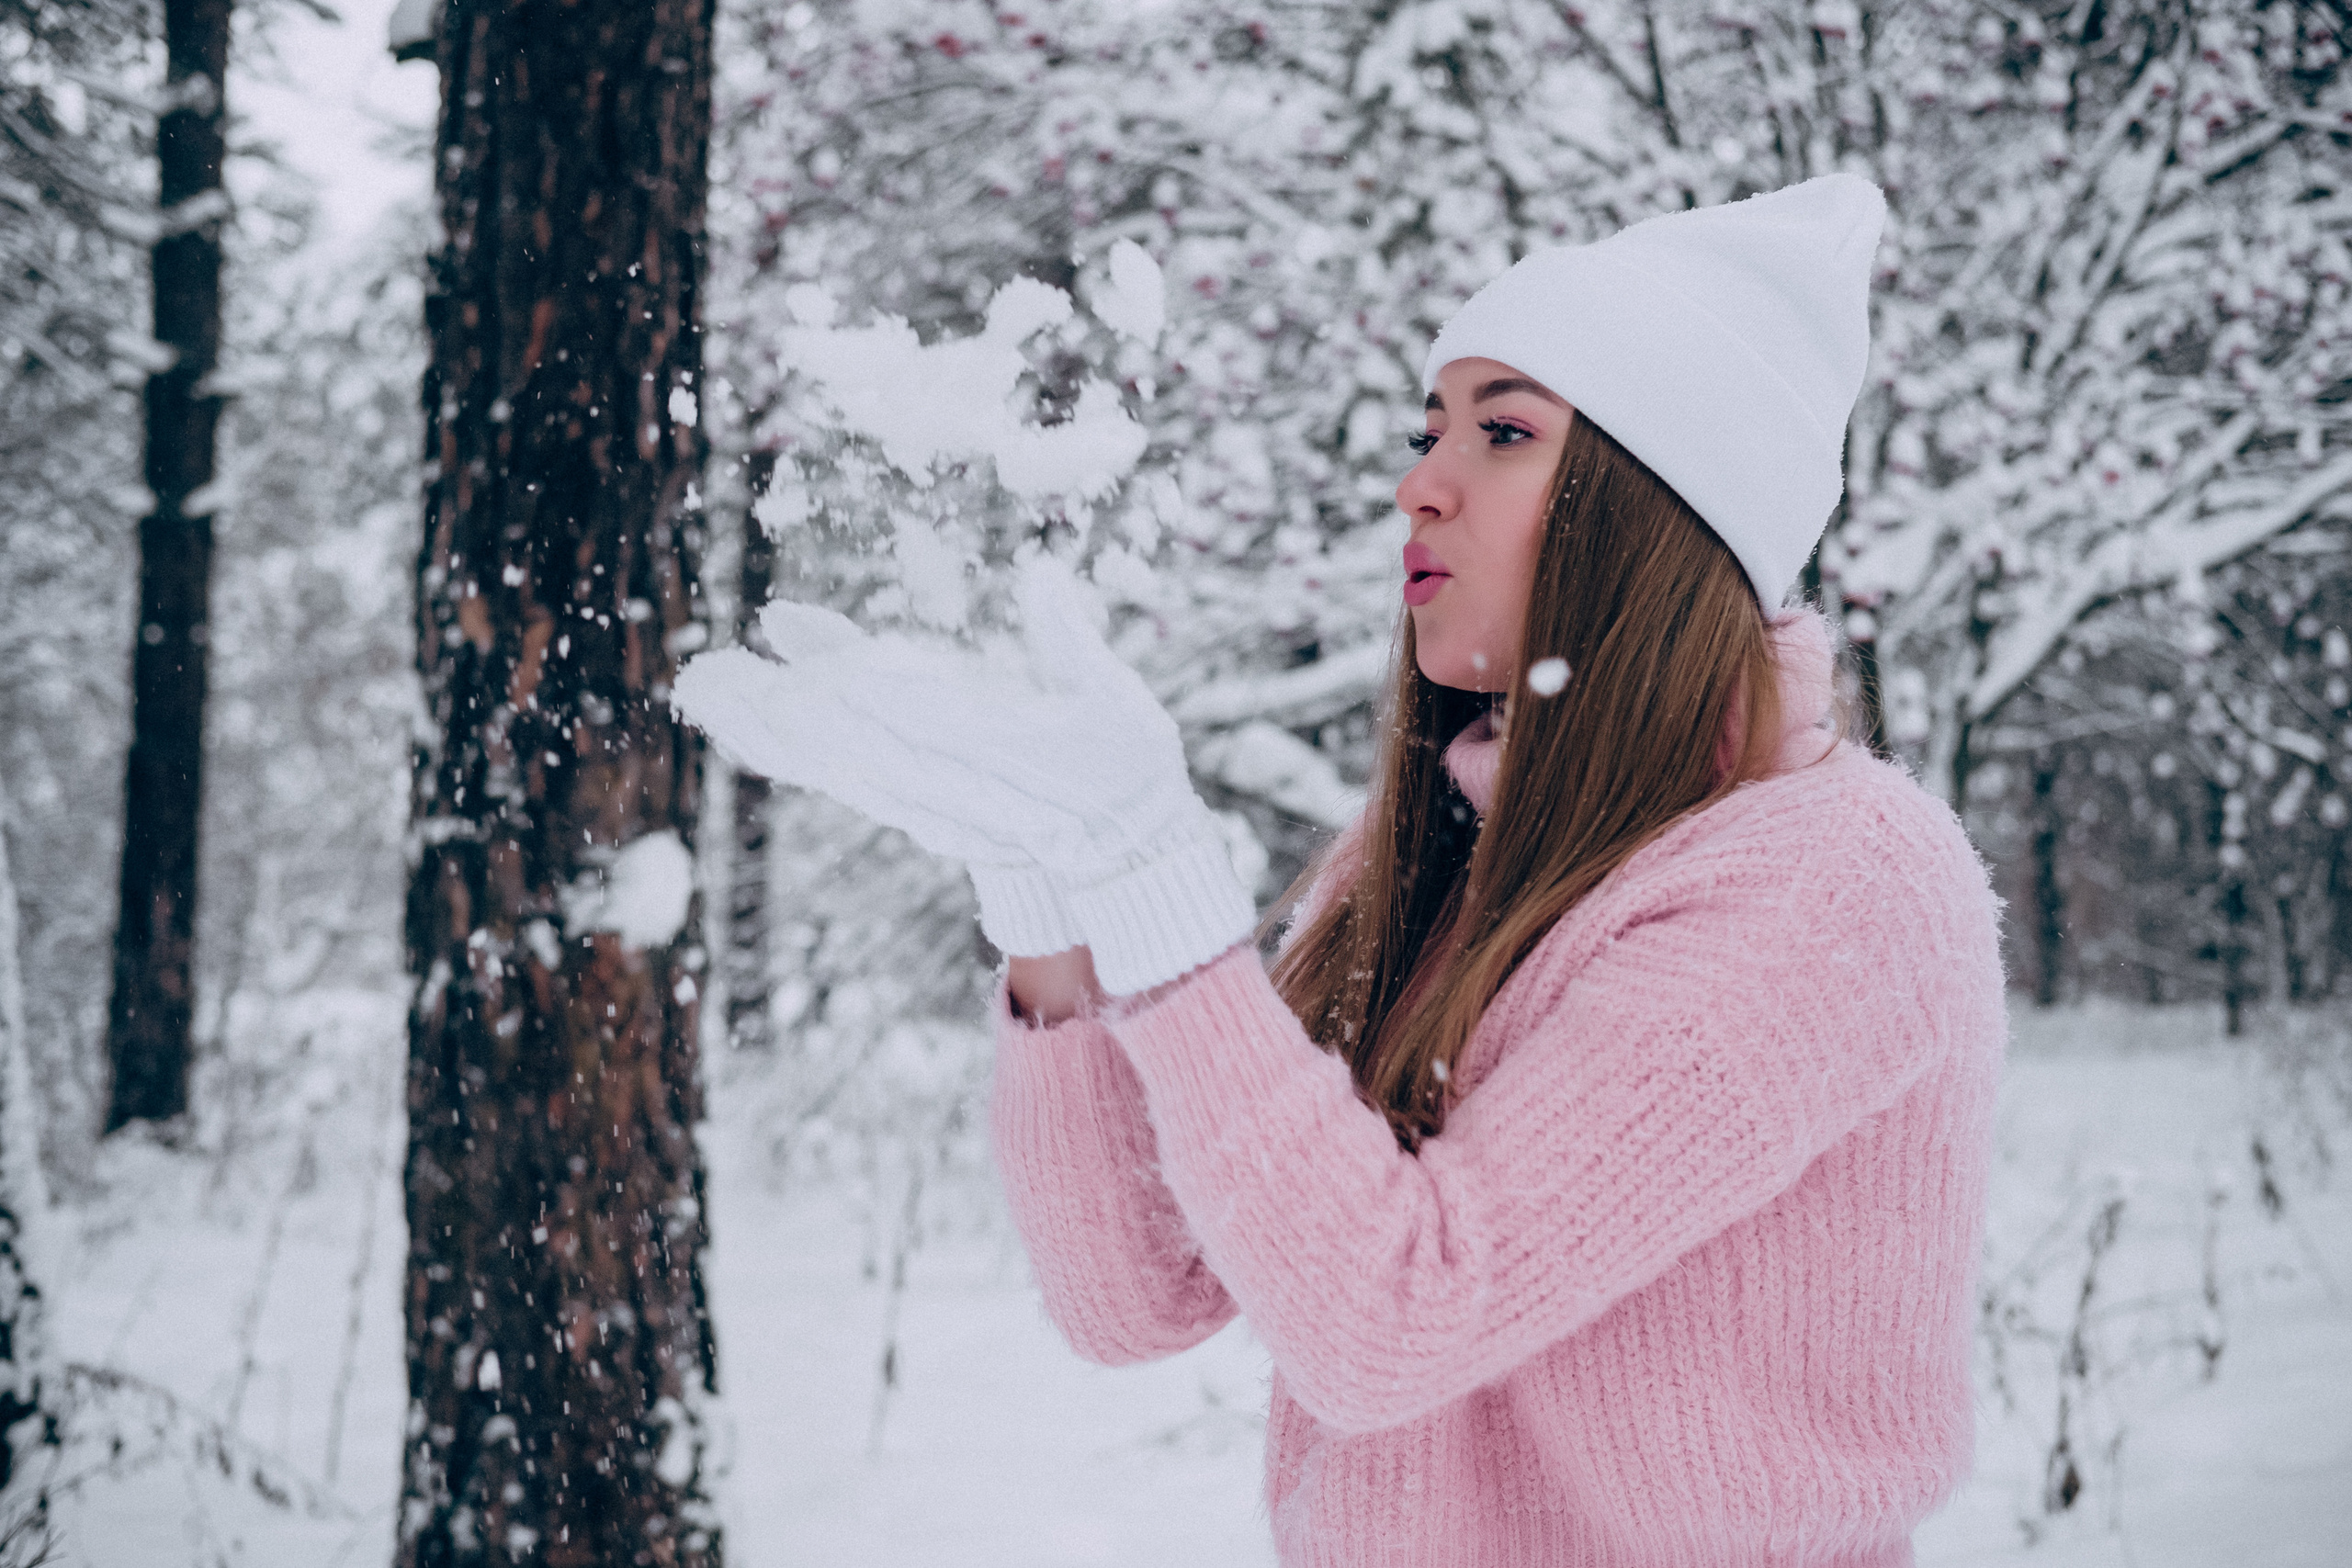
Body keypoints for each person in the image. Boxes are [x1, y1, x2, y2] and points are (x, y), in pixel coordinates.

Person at [676, 172, 2007, 1567]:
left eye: (1505, 432)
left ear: (1654, 514)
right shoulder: (1457, 851)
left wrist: (1149, 866)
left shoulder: (1835, 881)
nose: (1419, 484)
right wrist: (1039, 887)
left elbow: (1393, 1317)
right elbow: (1140, 1294)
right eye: (1432, 431)